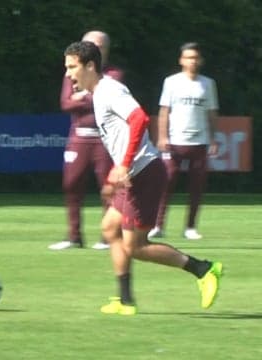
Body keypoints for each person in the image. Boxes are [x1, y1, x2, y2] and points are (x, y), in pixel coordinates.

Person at [63, 40, 223, 315]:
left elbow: (139, 119)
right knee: (110, 229)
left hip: (145, 173)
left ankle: (204, 269)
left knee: (136, 246)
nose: (68, 74)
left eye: (72, 67)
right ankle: (125, 301)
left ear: (90, 66)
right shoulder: (98, 93)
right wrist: (117, 175)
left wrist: (123, 165)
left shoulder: (110, 90)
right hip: (132, 176)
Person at [49, 30, 123, 251]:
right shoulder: (71, 74)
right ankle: (74, 237)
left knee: (108, 188)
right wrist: (87, 97)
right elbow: (65, 104)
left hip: (104, 139)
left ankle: (108, 237)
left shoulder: (113, 75)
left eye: (100, 46)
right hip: (79, 137)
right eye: (90, 45)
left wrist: (82, 96)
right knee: (71, 185)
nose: (95, 49)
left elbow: (103, 99)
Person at [148, 42, 219, 241]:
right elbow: (164, 111)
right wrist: (162, 137)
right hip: (175, 141)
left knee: (197, 185)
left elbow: (212, 113)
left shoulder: (208, 84)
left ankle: (190, 227)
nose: (192, 61)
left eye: (195, 57)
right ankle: (157, 225)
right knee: (166, 181)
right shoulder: (171, 82)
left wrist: (213, 138)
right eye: (188, 57)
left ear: (201, 61)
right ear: (181, 60)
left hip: (200, 142)